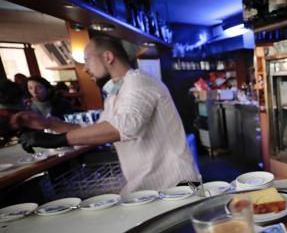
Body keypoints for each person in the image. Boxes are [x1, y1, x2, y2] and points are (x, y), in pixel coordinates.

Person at [12, 36, 199, 194]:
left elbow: (123, 128)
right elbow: (95, 130)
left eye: (87, 59)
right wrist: (46, 123)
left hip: (180, 185)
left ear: (108, 57)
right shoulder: (116, 93)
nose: (85, 68)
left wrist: (55, 140)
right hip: (151, 188)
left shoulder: (140, 82)